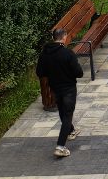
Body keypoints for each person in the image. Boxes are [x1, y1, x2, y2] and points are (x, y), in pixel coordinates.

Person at [35, 29, 84, 158]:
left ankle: (71, 130)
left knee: (63, 111)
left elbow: (40, 72)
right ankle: (60, 146)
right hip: (68, 89)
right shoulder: (68, 53)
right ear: (64, 37)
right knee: (67, 115)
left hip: (55, 88)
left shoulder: (44, 54)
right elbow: (79, 73)